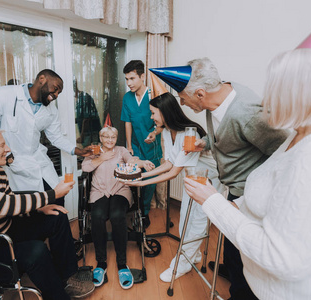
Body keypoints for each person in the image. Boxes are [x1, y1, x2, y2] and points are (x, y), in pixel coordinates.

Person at [185, 48, 311, 300]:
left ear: (304, 95)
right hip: (256, 274)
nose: (265, 100)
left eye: (275, 89)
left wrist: (213, 202)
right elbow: (271, 179)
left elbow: (284, 258)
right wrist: (236, 204)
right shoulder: (299, 136)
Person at [151, 59, 289, 299]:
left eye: (183, 98)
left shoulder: (246, 112)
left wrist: (251, 197)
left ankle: (239, 292)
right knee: (229, 243)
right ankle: (231, 269)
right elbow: (226, 136)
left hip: (249, 192)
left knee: (239, 251)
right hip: (233, 187)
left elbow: (284, 155)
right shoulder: (218, 98)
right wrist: (204, 143)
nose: (181, 103)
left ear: (200, 93)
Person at [0, 130, 95, 300]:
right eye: (2, 145)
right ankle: (58, 296)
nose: (7, 149)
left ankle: (68, 278)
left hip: (4, 228)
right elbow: (3, 204)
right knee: (36, 251)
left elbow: (9, 197)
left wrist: (39, 208)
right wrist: (52, 194)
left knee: (56, 216)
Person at [125, 92, 223, 282]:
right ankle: (192, 255)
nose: (151, 117)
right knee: (185, 217)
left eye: (153, 113)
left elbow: (173, 172)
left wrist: (142, 182)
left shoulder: (190, 133)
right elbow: (169, 163)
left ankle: (180, 265)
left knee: (197, 221)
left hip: (208, 181)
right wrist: (141, 174)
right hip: (192, 179)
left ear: (165, 112)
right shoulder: (169, 132)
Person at [0, 69, 92, 206]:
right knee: (31, 207)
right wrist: (7, 159)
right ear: (42, 79)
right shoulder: (1, 96)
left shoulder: (51, 110)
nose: (56, 95)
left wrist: (79, 151)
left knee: (58, 197)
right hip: (13, 163)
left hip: (38, 159)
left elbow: (56, 137)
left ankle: (59, 226)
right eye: (55, 89)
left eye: (59, 93)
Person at [81, 126, 154, 290]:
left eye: (113, 137)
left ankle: (122, 264)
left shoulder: (121, 150)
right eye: (106, 137)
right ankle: (101, 263)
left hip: (120, 190)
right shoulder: (94, 151)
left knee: (117, 216)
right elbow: (85, 168)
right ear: (100, 138)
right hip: (99, 192)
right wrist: (102, 158)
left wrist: (142, 163)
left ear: (116, 138)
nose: (109, 140)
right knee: (98, 216)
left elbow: (132, 161)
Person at [121, 60, 163, 226]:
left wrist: (154, 133)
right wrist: (129, 146)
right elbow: (127, 122)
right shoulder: (127, 98)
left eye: (132, 78)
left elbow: (162, 123)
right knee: (132, 177)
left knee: (150, 181)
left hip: (152, 146)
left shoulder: (154, 95)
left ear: (142, 76)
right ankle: (133, 207)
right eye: (126, 79)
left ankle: (144, 212)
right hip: (136, 146)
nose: (129, 83)